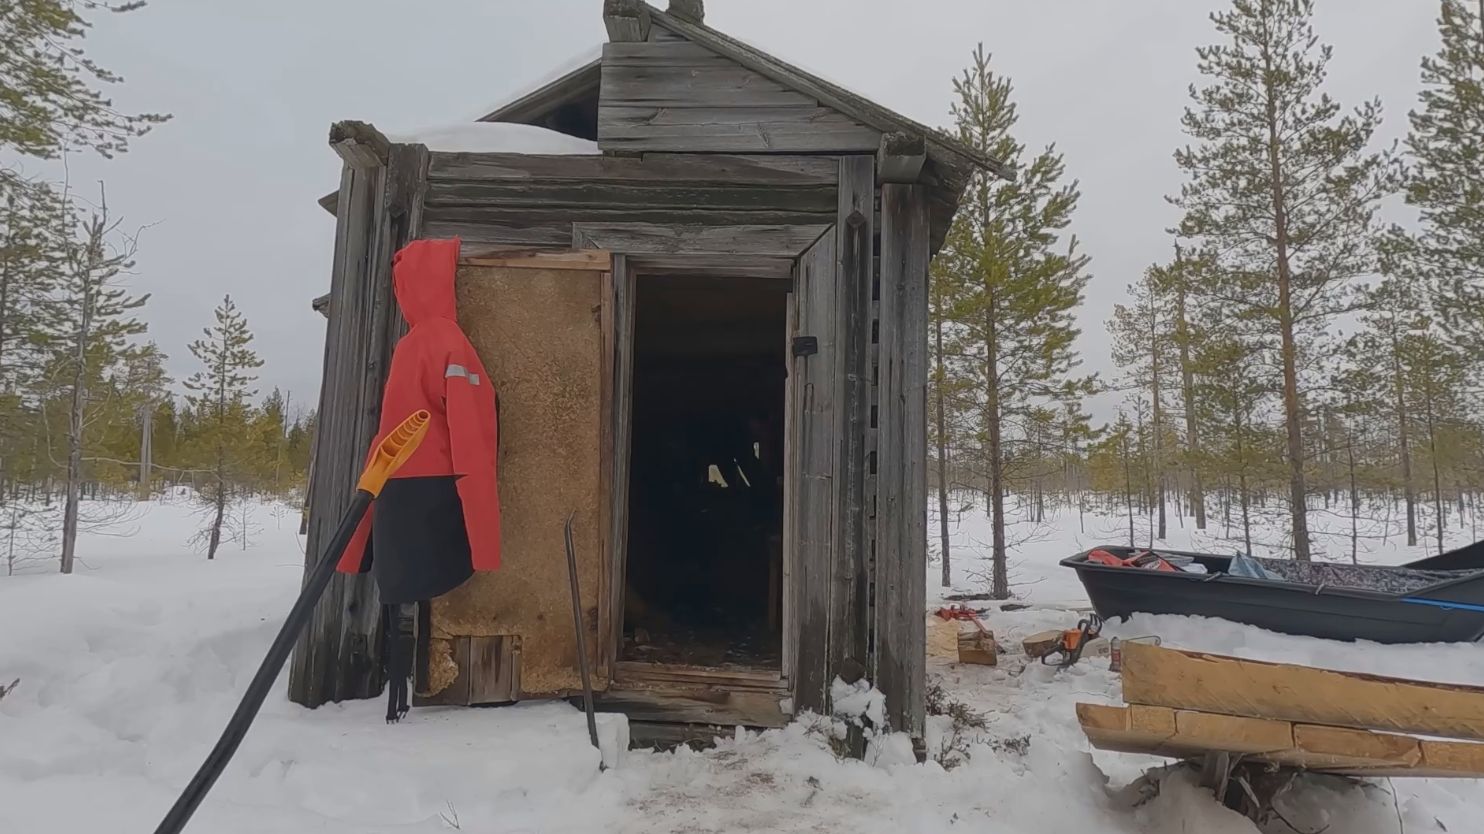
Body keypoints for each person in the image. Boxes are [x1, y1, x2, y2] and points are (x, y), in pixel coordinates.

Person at [336, 238, 501, 722]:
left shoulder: (410, 344)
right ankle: (399, 701)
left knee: (399, 595)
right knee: (426, 582)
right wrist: (478, 505)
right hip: (436, 483)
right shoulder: (450, 342)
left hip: (396, 483)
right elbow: (469, 430)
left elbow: (391, 428)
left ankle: (396, 701)